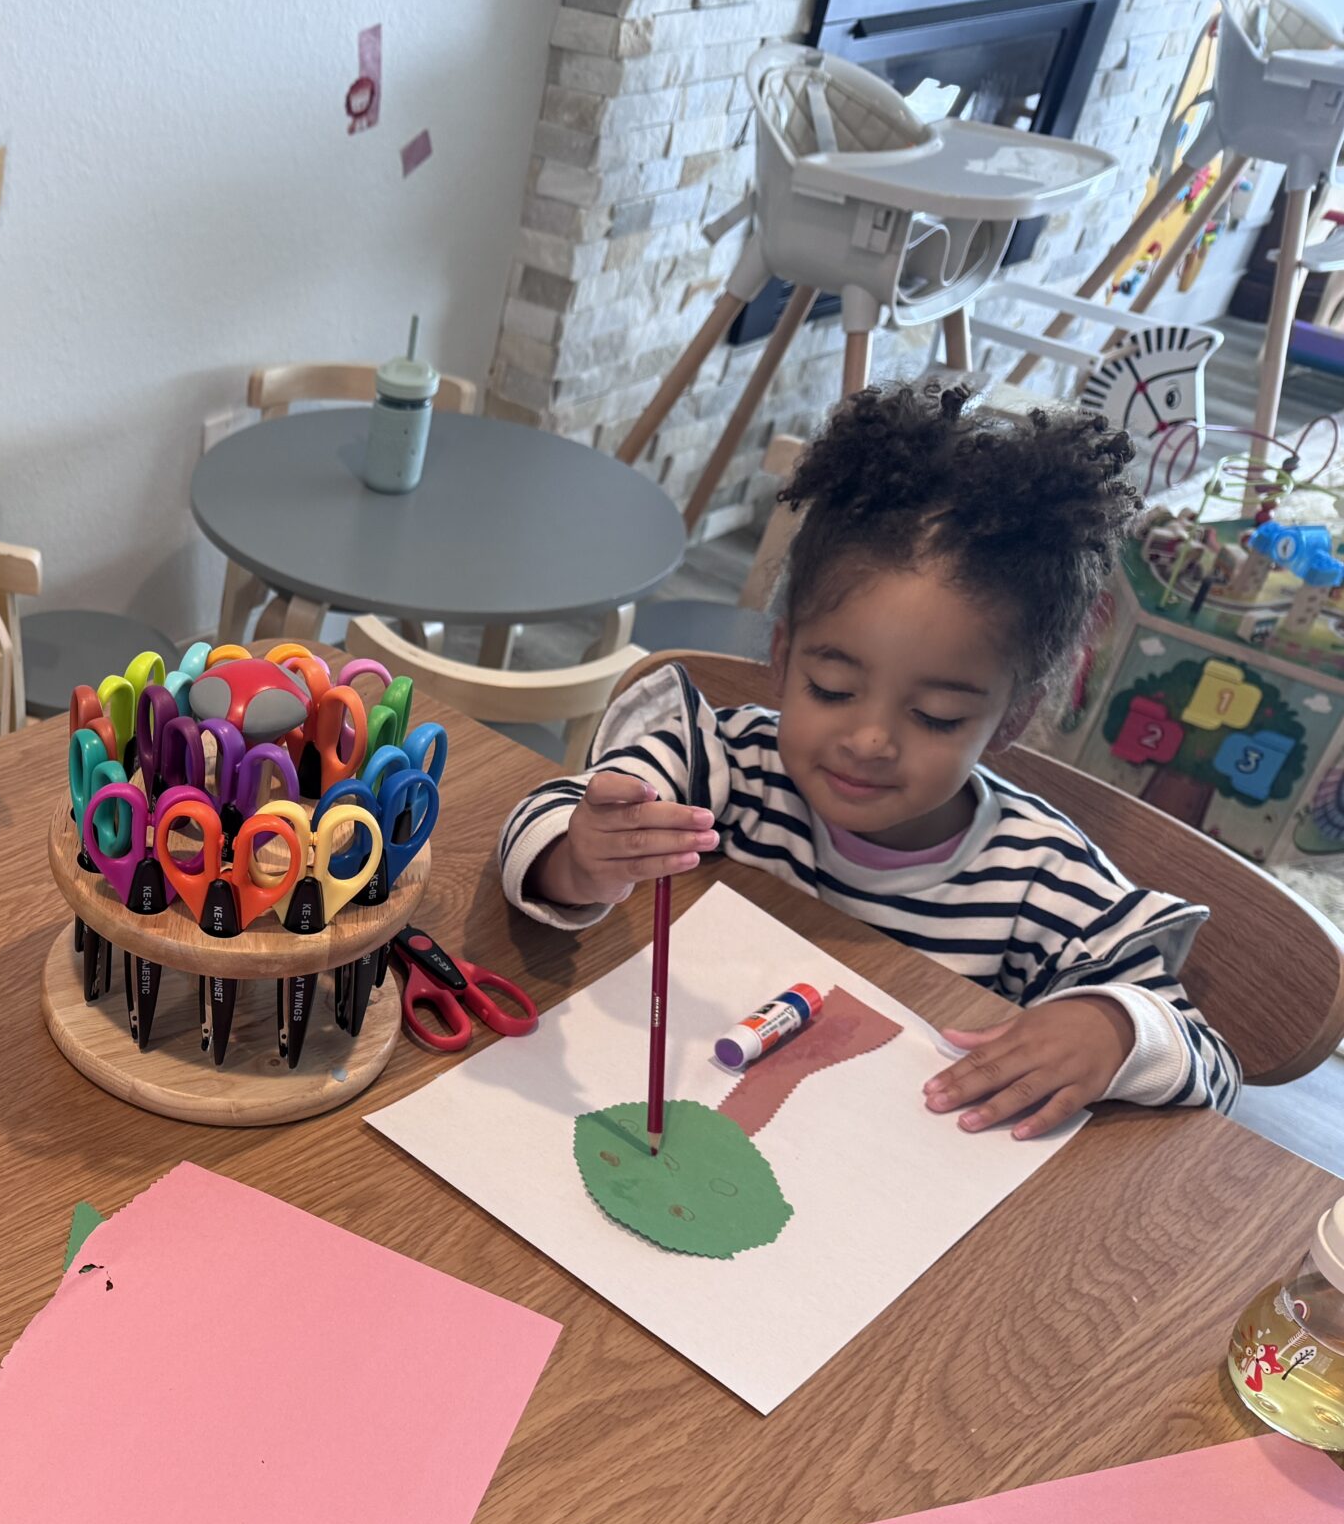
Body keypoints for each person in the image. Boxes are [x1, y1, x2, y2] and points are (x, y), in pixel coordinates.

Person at [500, 381, 1238, 1139]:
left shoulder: (1040, 882)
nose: (870, 740)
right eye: (833, 688)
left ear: (1012, 717)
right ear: (783, 660)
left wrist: (1114, 1030)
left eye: (936, 716)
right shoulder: (724, 765)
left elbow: (1211, 1064)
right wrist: (578, 858)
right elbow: (547, 812)